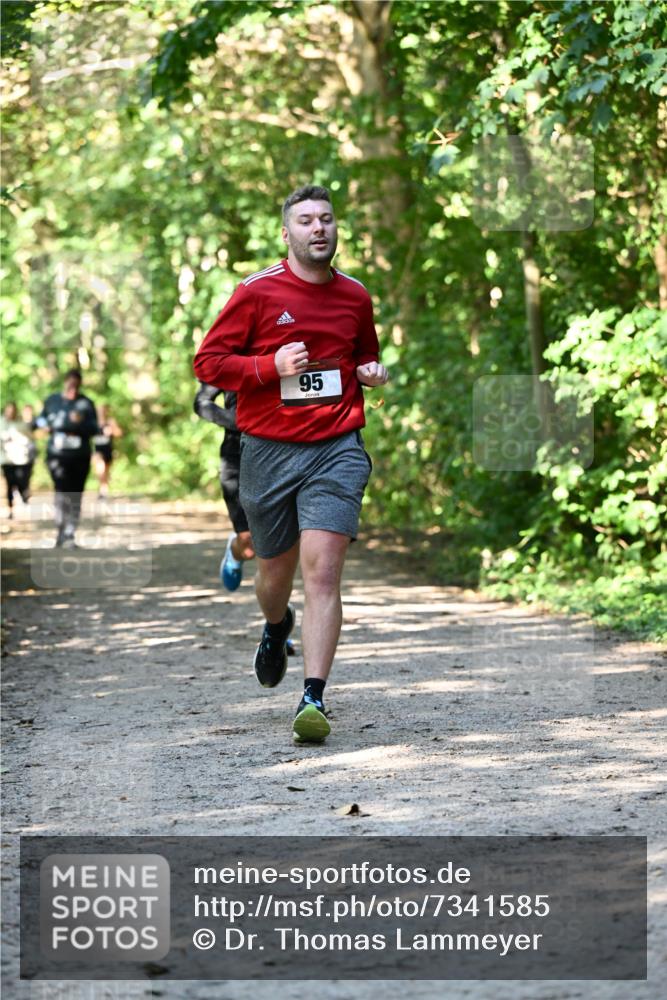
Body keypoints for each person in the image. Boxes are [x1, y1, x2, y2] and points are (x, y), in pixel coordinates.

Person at [194, 184, 388, 744]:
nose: (318, 228)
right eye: (305, 221)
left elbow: (364, 354)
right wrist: (269, 366)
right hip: (269, 451)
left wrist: (372, 373)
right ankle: (277, 628)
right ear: (287, 233)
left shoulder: (355, 296)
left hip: (337, 446)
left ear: (336, 228)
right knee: (273, 575)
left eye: (326, 219)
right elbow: (208, 362)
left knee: (323, 569)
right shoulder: (255, 293)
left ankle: (314, 698)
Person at [193, 382, 255, 590]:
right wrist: (240, 421)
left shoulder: (288, 352)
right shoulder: (231, 354)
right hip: (236, 455)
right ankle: (234, 550)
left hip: (283, 452)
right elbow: (201, 403)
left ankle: (277, 610)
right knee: (249, 545)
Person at [35, 369, 99, 548]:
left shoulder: (86, 403)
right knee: (61, 491)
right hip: (57, 455)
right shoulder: (52, 401)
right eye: (71, 384)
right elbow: (39, 420)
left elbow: (95, 428)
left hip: (80, 455)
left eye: (77, 385)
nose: (73, 388)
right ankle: (61, 530)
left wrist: (79, 424)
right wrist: (45, 425)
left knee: (76, 493)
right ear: (65, 382)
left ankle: (70, 532)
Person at [0, 402, 35, 519]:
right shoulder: (1, 423)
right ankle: (10, 509)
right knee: (10, 484)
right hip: (6, 459)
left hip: (21, 459)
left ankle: (24, 497)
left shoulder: (22, 424)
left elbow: (30, 439)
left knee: (21, 481)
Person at [92, 404, 123, 498]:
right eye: (99, 410)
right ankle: (103, 491)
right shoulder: (93, 422)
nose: (101, 412)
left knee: (106, 471)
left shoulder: (110, 421)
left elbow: (119, 434)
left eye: (103, 410)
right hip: (97, 450)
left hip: (108, 449)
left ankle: (104, 490)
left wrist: (112, 430)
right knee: (100, 470)